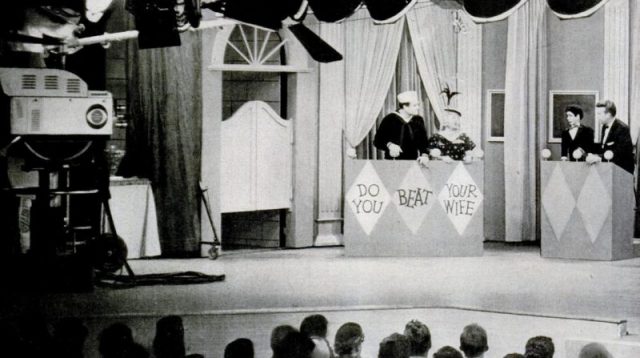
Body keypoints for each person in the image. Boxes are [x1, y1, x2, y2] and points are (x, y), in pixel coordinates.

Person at [373, 91, 430, 165]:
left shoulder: (418, 120)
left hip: (413, 163)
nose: (418, 108)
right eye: (415, 105)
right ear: (405, 106)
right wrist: (389, 145)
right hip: (392, 163)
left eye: (418, 105)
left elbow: (423, 142)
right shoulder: (389, 119)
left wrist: (424, 155)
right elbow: (377, 141)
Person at [586, 100, 634, 173]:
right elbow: (604, 147)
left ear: (608, 114)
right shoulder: (604, 126)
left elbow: (622, 153)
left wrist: (599, 158)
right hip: (609, 169)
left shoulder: (622, 128)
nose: (597, 117)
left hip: (622, 171)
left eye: (599, 114)